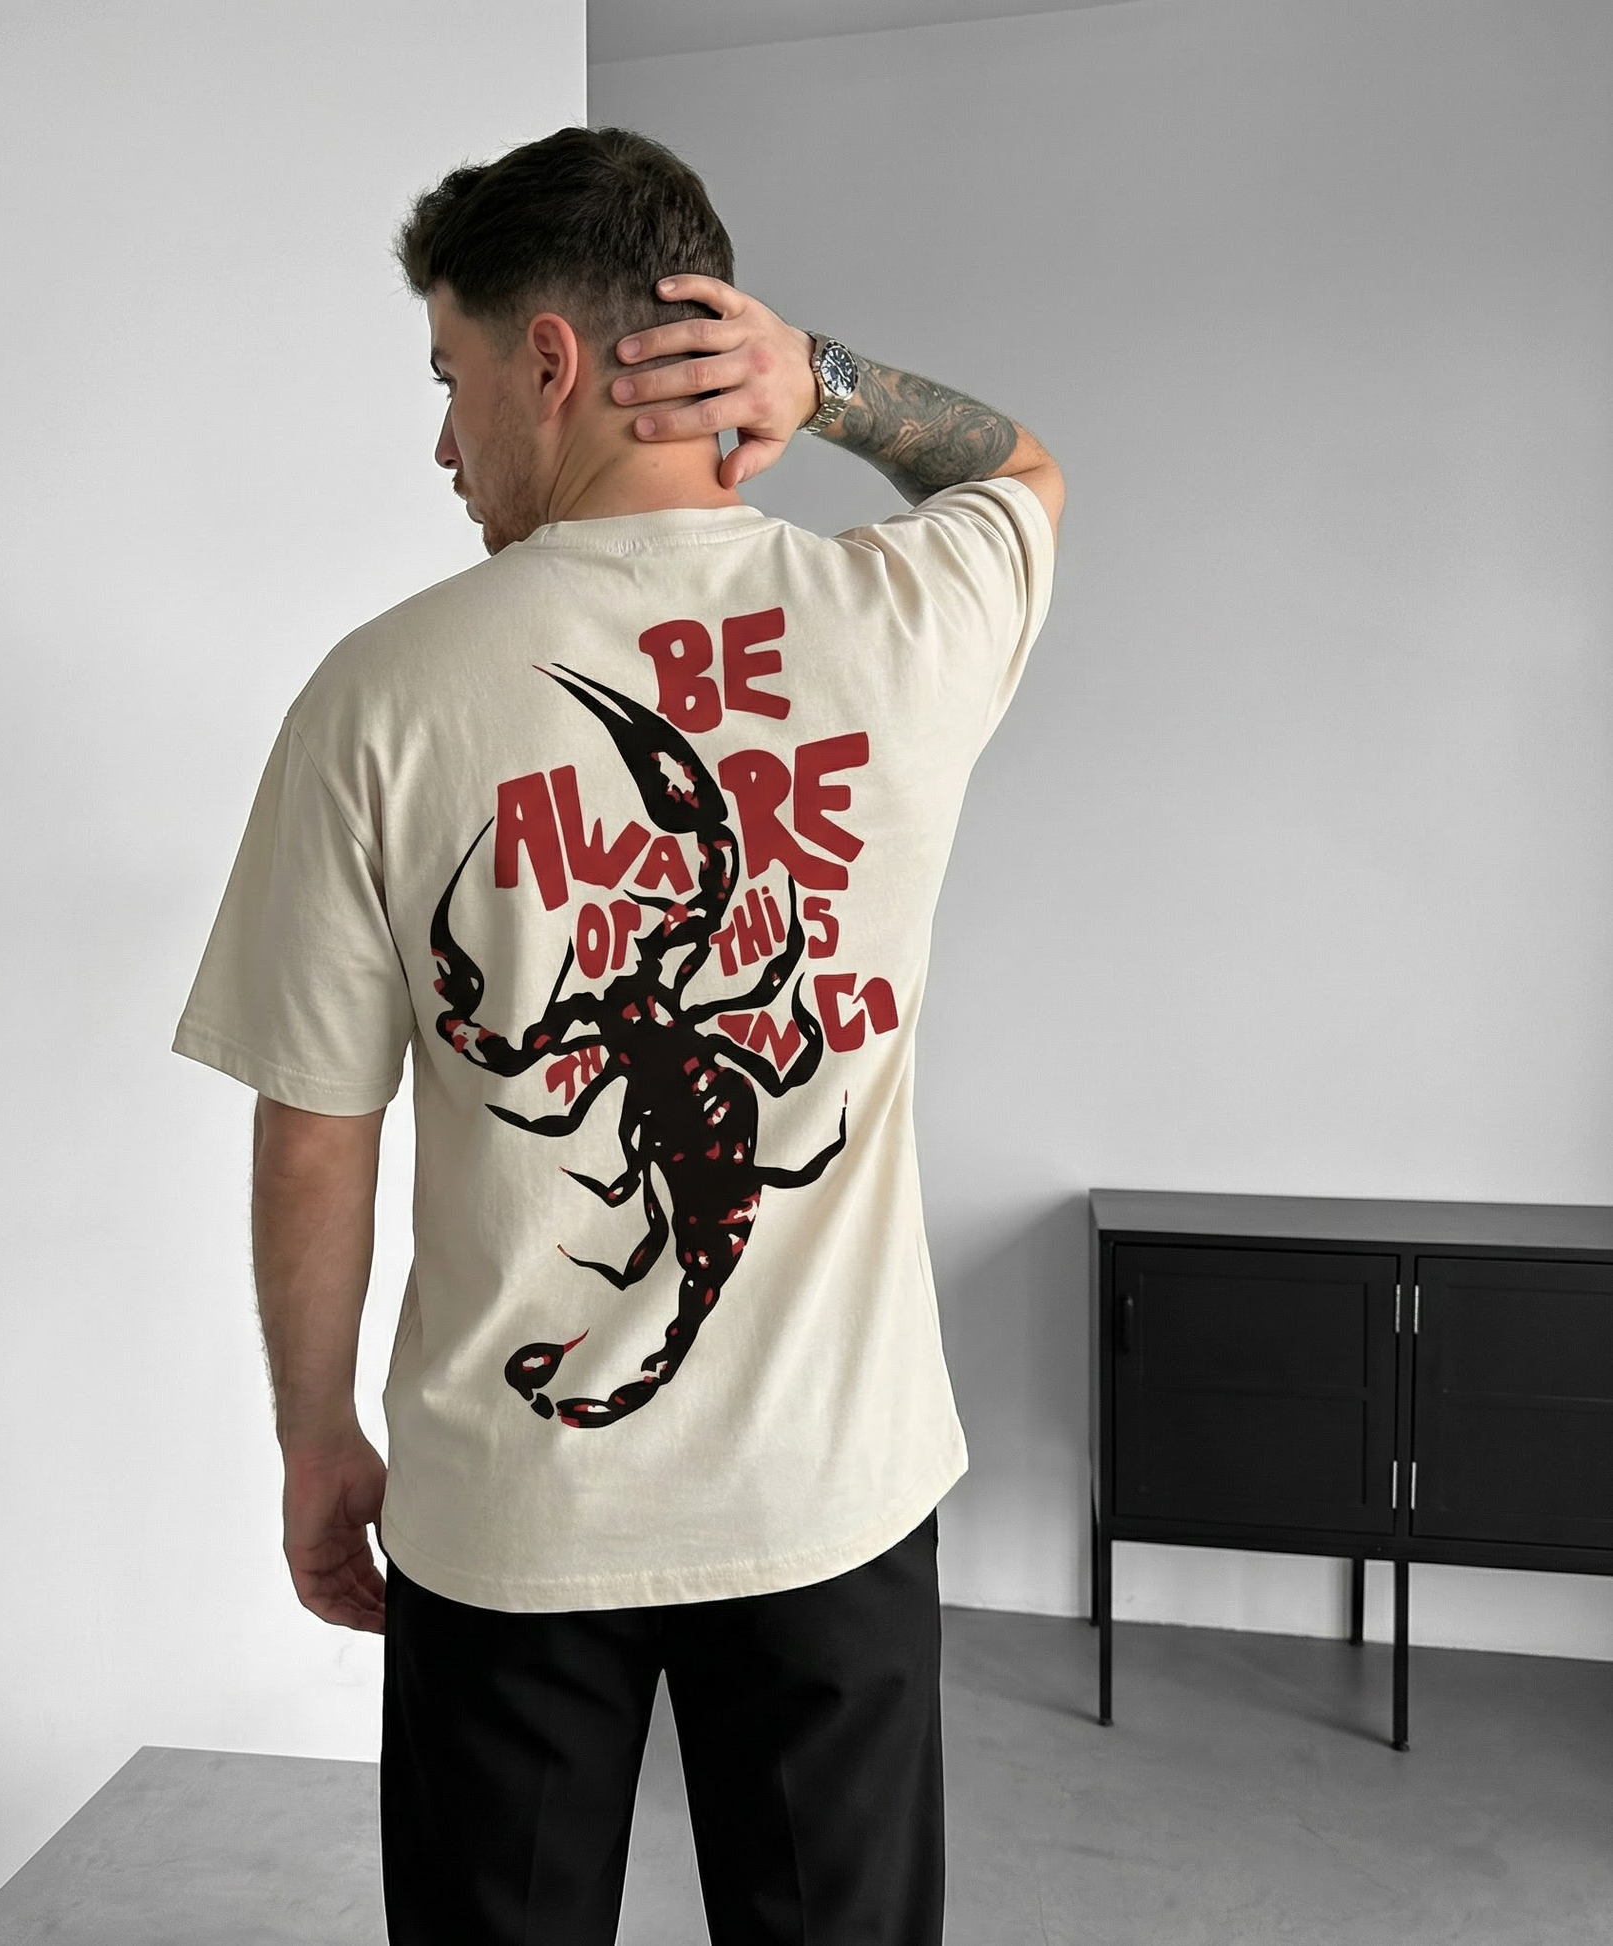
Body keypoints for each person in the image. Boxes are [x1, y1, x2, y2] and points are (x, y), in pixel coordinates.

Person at [172, 123, 1062, 1946]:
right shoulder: (900, 617)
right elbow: (1022, 471)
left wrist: (315, 1438)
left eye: (448, 375)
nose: (442, 442)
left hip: (512, 1518)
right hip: (830, 1488)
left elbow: (317, 1123)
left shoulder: (380, 692)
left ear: (549, 360)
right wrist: (823, 383)